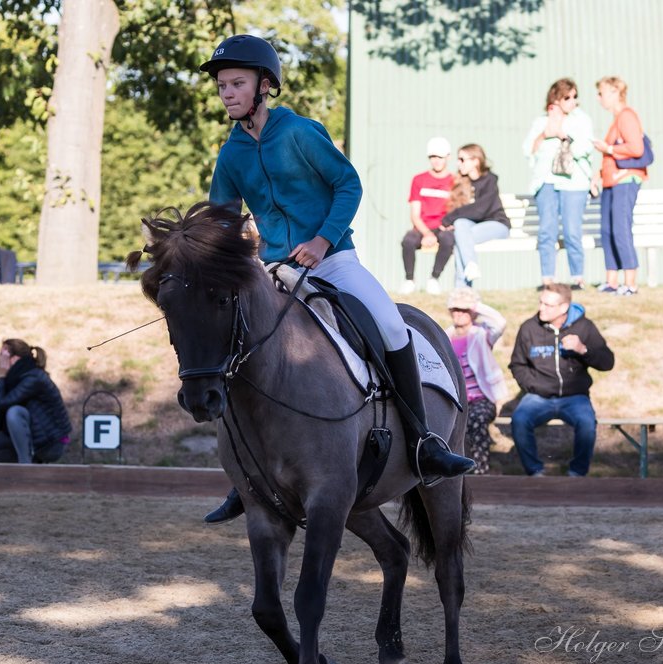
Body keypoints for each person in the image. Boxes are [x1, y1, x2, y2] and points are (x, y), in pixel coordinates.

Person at [201, 34, 474, 522]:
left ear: (266, 85)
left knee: (391, 327)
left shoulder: (302, 133)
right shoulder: (231, 154)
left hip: (332, 259)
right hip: (273, 270)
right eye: (222, 85)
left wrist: (323, 240)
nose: (227, 93)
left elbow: (349, 184)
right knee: (231, 343)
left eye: (236, 83)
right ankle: (245, 477)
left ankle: (424, 443)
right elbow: (222, 216)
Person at [508, 283, 614, 476]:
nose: (541, 308)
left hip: (575, 397)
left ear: (564, 307)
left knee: (587, 423)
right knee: (519, 420)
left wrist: (583, 349)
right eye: (541, 302)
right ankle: (535, 473)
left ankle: (577, 474)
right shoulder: (529, 328)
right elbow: (517, 364)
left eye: (548, 305)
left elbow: (607, 362)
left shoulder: (584, 326)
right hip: (537, 397)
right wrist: (533, 385)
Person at [524, 78, 595, 289]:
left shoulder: (581, 121)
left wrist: (564, 134)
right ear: (556, 97)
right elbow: (529, 150)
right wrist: (546, 133)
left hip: (574, 182)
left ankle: (577, 278)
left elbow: (585, 149)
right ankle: (548, 279)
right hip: (546, 181)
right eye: (567, 97)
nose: (572, 101)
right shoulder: (541, 122)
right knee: (547, 230)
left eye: (575, 97)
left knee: (572, 230)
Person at [592, 76, 645, 296]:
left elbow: (637, 149)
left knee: (621, 228)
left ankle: (630, 283)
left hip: (625, 179)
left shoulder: (627, 116)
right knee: (607, 229)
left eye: (602, 92)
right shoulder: (615, 120)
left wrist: (609, 149)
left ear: (615, 92)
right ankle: (612, 280)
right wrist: (598, 175)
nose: (599, 98)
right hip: (610, 180)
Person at [0, 339, 71, 464]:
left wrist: (1, 376)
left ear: (14, 359)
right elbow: (10, 415)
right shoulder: (15, 378)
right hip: (33, 439)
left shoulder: (34, 378)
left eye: (2, 355)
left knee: (14, 412)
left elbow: (2, 405)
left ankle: (25, 468)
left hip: (50, 444)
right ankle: (30, 464)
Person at [446, 288, 509, 475]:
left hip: (482, 397)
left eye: (464, 310)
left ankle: (481, 469)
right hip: (456, 399)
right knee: (454, 425)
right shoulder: (445, 335)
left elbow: (500, 321)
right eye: (455, 309)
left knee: (477, 420)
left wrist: (474, 304)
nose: (459, 313)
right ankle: (458, 470)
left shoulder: (481, 334)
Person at [439, 143, 510, 289]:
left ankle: (461, 289)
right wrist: (452, 219)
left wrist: (449, 218)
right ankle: (470, 266)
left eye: (462, 159)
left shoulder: (490, 180)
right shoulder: (461, 182)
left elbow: (480, 210)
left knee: (461, 237)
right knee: (460, 226)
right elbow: (461, 213)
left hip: (497, 225)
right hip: (471, 228)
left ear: (476, 160)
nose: (459, 164)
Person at [400, 136, 455, 295]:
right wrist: (427, 233)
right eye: (433, 157)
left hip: (443, 226)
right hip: (422, 227)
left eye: (440, 157)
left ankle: (434, 279)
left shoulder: (454, 181)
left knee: (448, 239)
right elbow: (415, 215)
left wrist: (444, 228)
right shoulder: (419, 180)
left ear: (448, 158)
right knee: (408, 241)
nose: (436, 161)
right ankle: (409, 280)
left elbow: (456, 210)